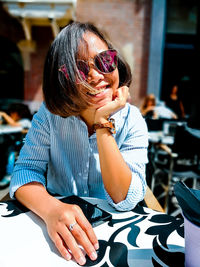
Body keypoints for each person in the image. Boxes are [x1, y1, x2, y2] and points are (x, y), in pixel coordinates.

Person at [9, 22, 148, 265]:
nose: (96, 76)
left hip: (115, 232)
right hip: (53, 226)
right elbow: (25, 171)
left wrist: (103, 121)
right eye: (80, 70)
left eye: (104, 61)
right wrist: (51, 209)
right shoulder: (49, 116)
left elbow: (126, 198)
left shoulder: (132, 119)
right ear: (62, 79)